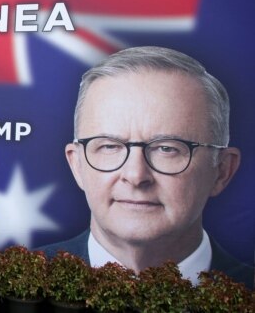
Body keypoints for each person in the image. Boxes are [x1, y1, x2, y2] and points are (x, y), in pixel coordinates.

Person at [40, 46, 254, 289]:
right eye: (110, 146)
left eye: (167, 148)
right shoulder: (4, 289)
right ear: (77, 165)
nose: (135, 175)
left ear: (222, 171)